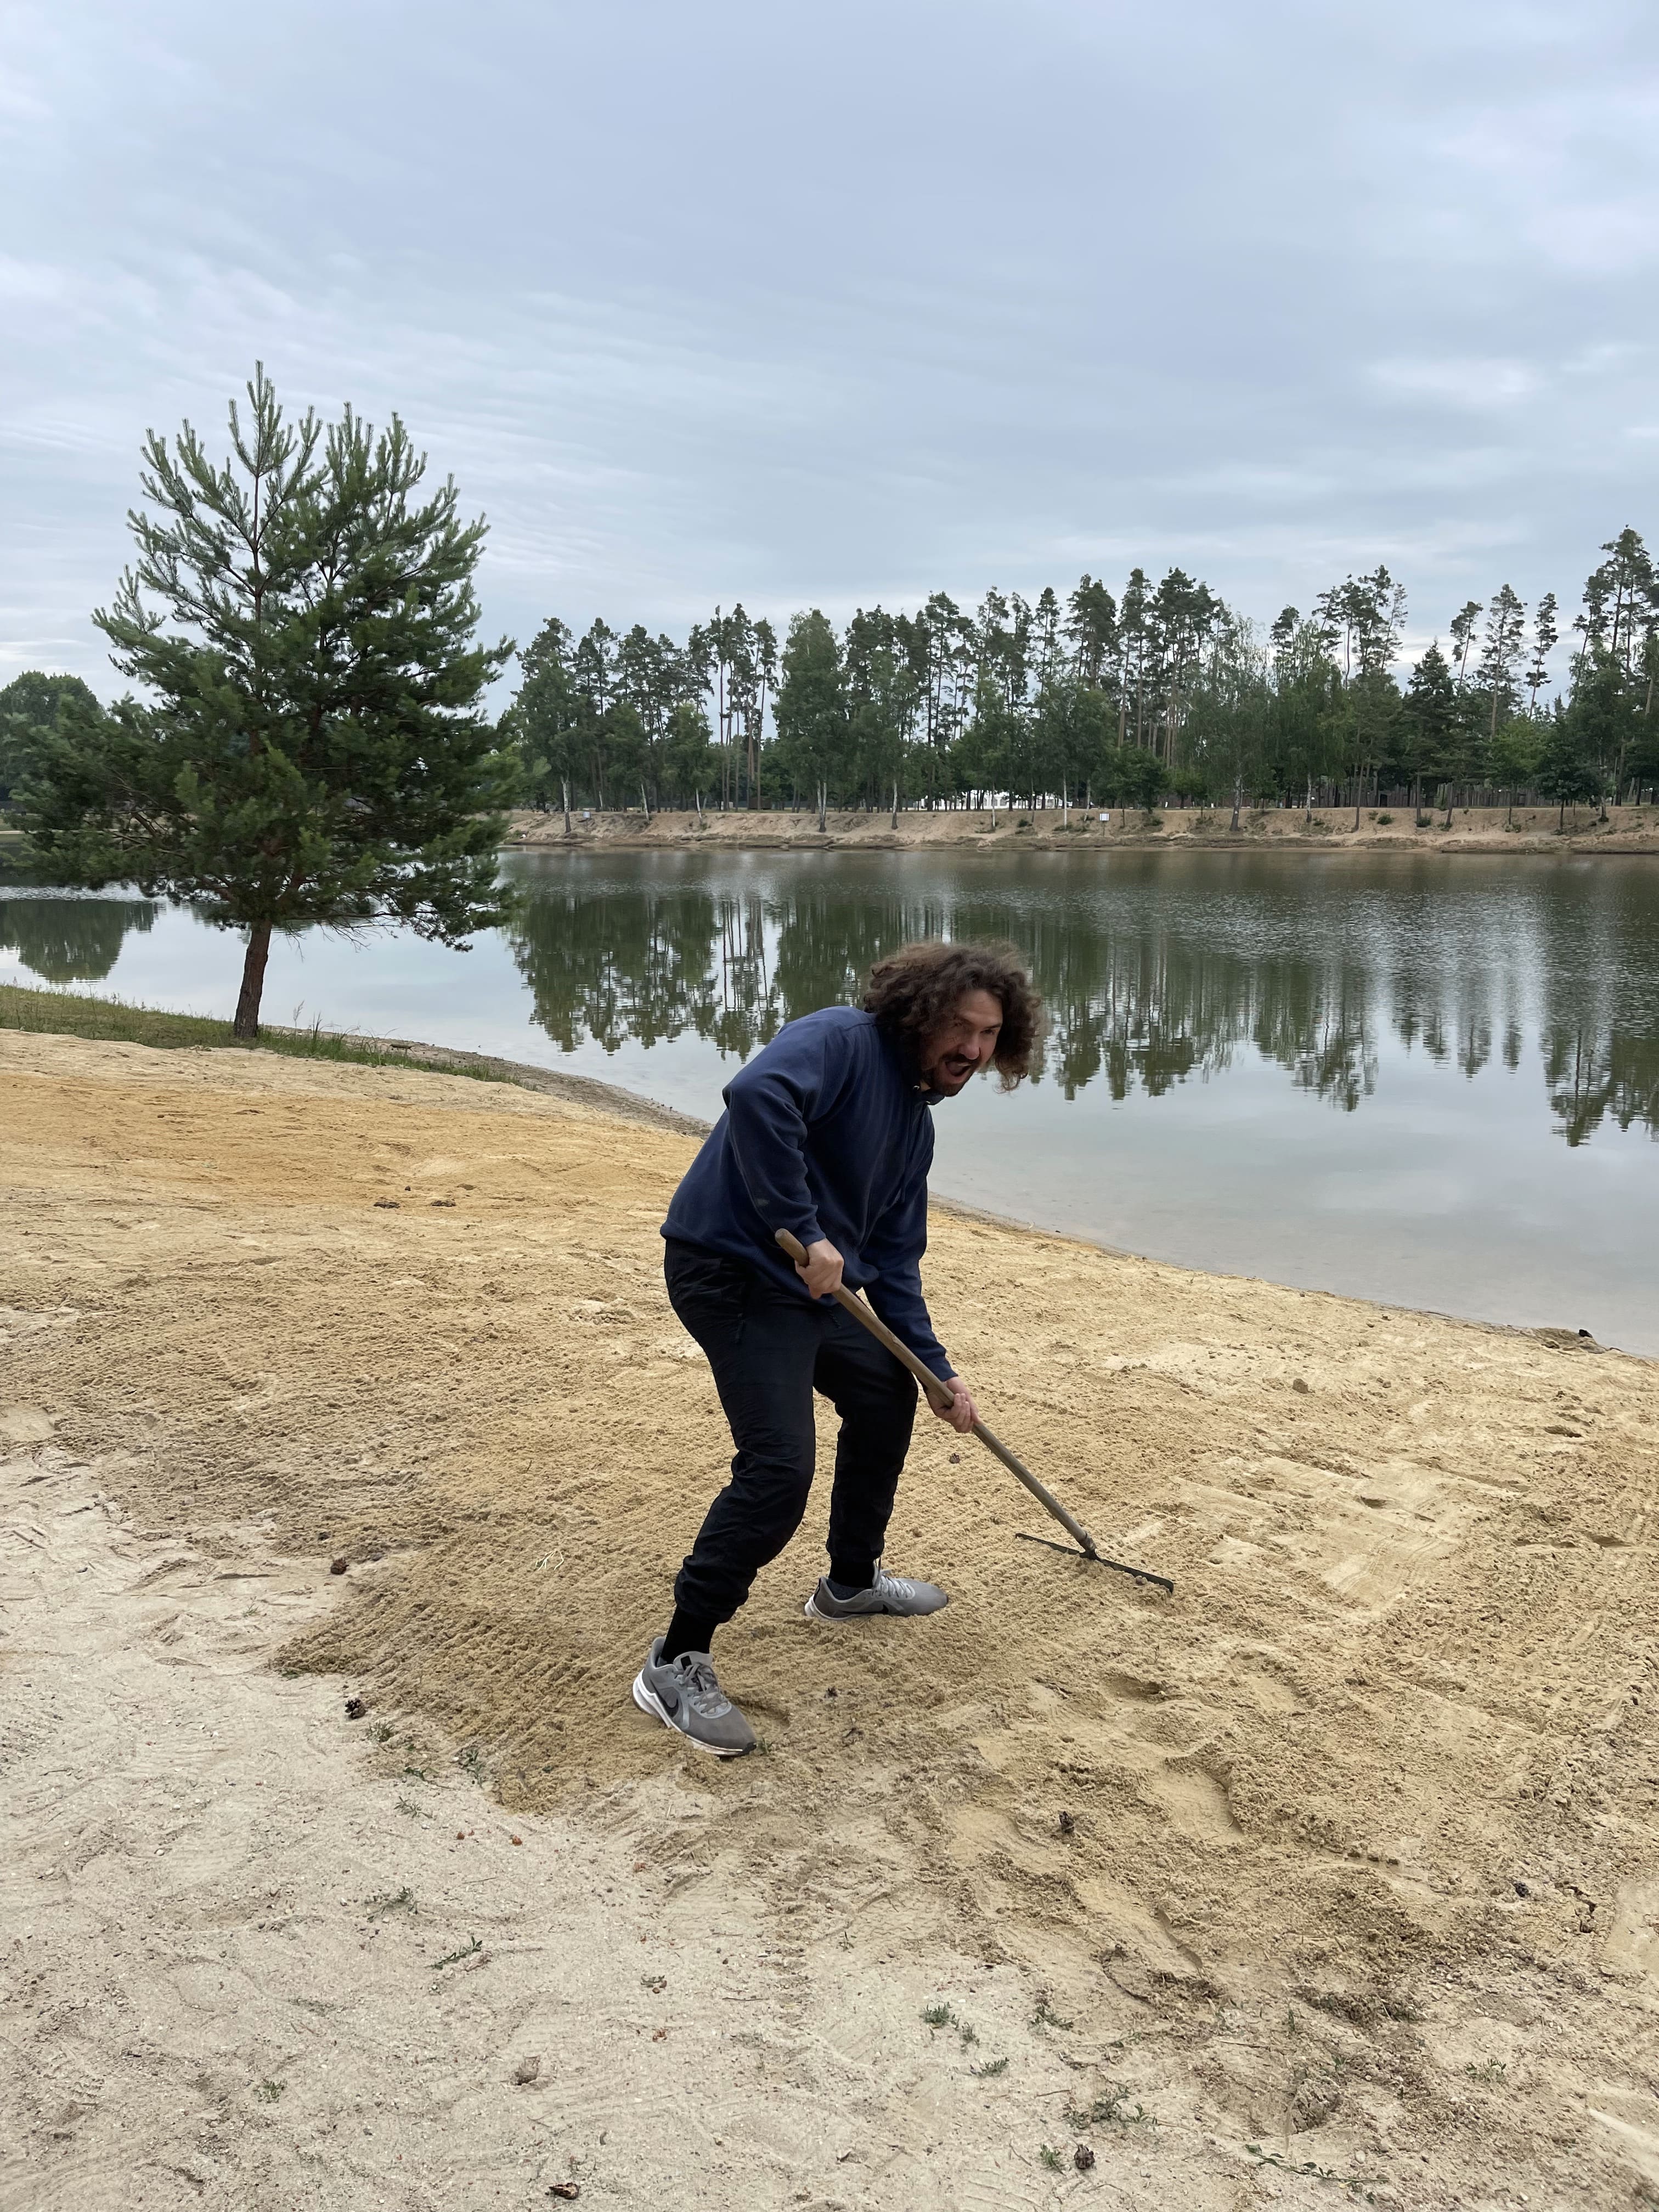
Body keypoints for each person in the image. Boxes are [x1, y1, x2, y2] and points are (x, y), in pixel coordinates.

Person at [632, 939, 1042, 1756]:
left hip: (814, 1294)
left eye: (990, 1035)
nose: (972, 1048)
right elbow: (757, 1095)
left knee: (887, 1395)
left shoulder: (915, 1130)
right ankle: (675, 1660)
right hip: (731, 1273)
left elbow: (894, 1264)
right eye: (961, 1027)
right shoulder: (840, 1039)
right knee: (779, 1470)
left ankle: (850, 1584)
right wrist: (805, 1228)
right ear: (920, 1014)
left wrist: (938, 1371)